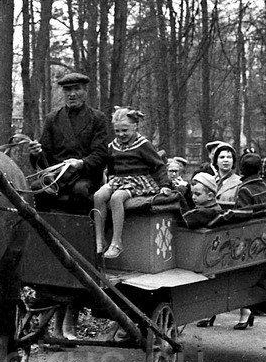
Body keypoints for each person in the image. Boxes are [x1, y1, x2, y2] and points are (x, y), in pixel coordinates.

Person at [93, 108, 172, 259]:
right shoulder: (113, 146)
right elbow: (111, 167)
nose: (121, 134)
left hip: (138, 180)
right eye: (117, 131)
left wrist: (165, 185)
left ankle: (117, 243)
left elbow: (159, 166)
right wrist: (108, 181)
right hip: (118, 180)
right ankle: (100, 239)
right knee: (98, 196)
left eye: (125, 130)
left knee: (117, 198)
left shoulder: (143, 144)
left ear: (135, 127)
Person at [29, 72, 111, 211]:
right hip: (58, 177)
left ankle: (83, 230)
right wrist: (36, 153)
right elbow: (45, 160)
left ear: (85, 91)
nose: (72, 94)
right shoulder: (52, 119)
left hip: (86, 176)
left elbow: (101, 154)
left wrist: (81, 163)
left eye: (76, 89)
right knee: (37, 188)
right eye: (67, 90)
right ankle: (44, 231)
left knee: (80, 190)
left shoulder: (97, 118)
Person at [211, 142, 242, 207]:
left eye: (229, 157)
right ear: (216, 161)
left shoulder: (239, 183)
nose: (226, 160)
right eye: (222, 157)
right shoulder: (210, 180)